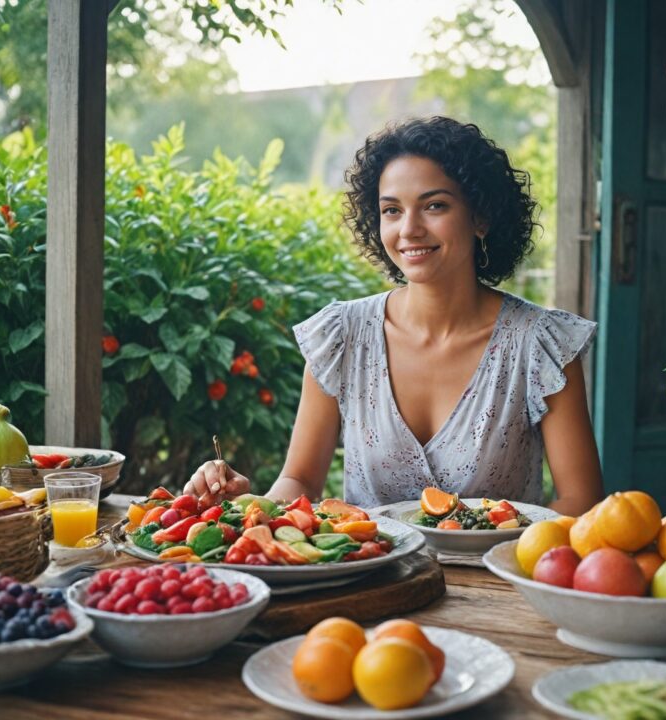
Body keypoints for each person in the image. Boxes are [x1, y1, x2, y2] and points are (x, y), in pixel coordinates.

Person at [185, 116, 603, 516]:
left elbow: (580, 501)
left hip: (495, 583)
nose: (409, 229)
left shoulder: (541, 344)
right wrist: (243, 503)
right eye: (391, 210)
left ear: (480, 217)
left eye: (434, 206)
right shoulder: (341, 336)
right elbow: (300, 481)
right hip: (369, 581)